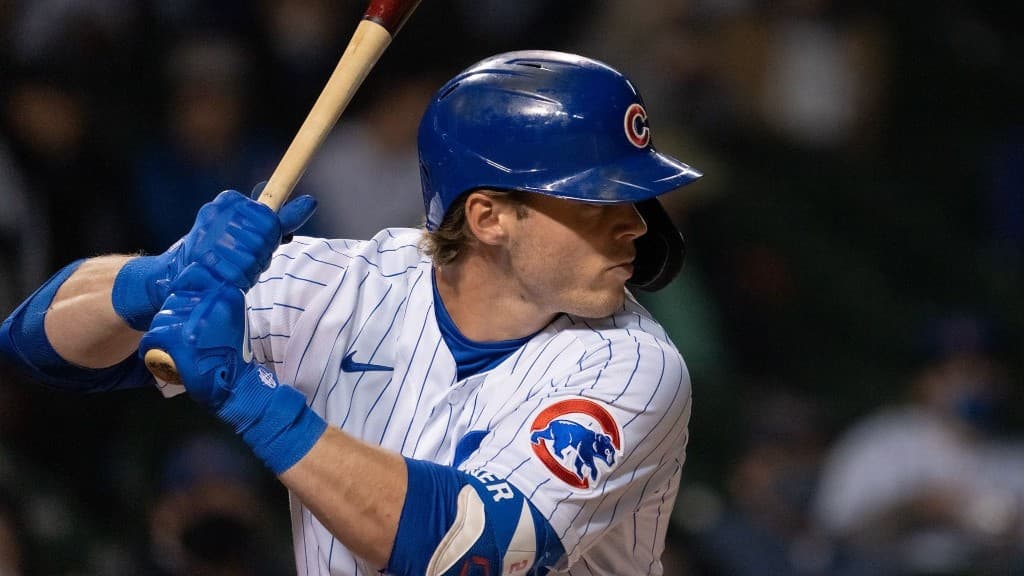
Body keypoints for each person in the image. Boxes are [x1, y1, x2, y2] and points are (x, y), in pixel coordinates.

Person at [1, 51, 703, 575]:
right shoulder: (343, 284)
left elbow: (467, 552)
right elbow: (38, 346)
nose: (638, 225)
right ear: (489, 216)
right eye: (597, 200)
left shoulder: (633, 365)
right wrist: (161, 278)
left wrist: (249, 397)